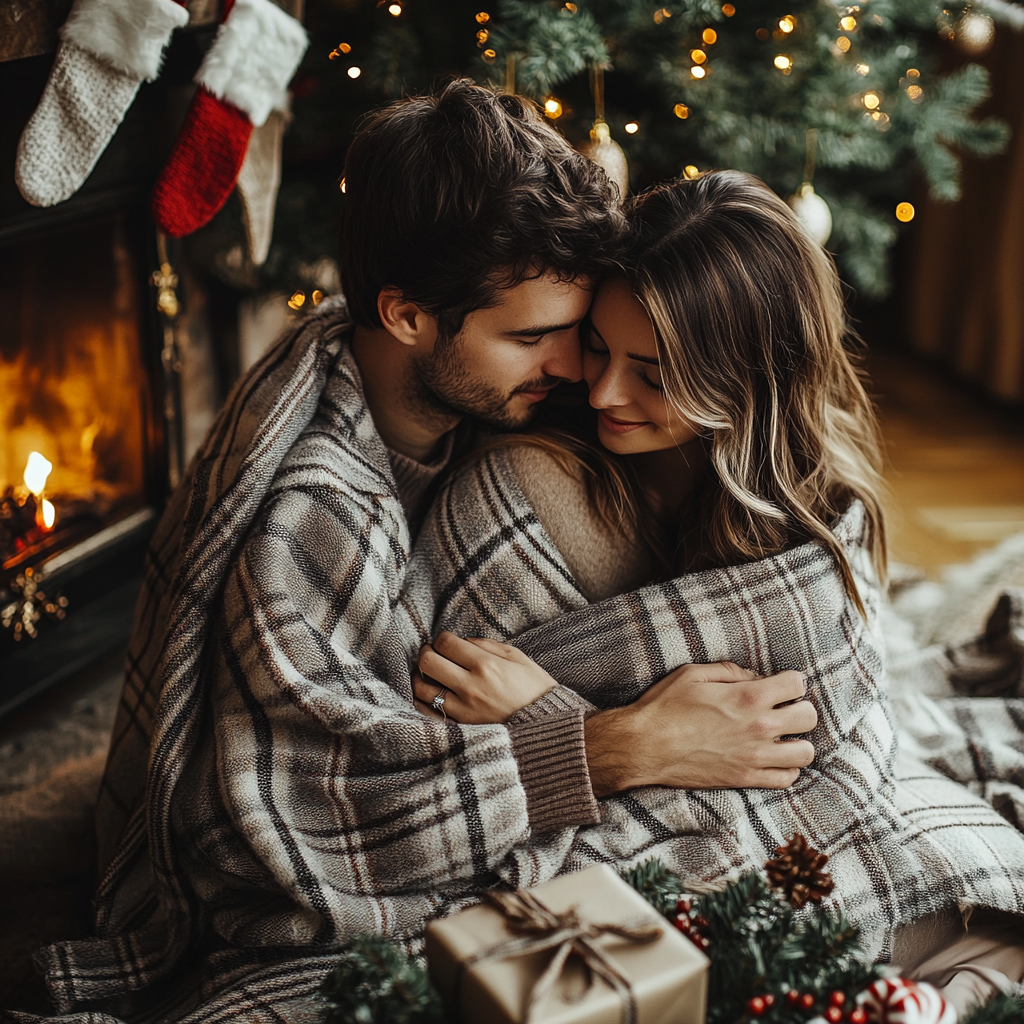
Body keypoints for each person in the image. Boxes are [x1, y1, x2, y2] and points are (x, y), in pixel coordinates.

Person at [23, 88, 816, 1024]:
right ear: (404, 316)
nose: (578, 374)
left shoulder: (508, 381)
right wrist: (613, 746)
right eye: (533, 339)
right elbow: (272, 830)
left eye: (577, 332)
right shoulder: (311, 522)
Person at [402, 171, 1024, 1004]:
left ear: (752, 382)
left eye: (653, 374)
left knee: (992, 903)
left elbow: (812, 746)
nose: (602, 391)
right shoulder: (526, 489)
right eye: (598, 346)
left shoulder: (809, 496)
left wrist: (566, 716)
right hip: (616, 838)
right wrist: (588, 732)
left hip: (806, 817)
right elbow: (446, 728)